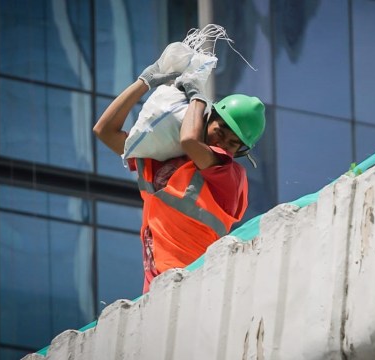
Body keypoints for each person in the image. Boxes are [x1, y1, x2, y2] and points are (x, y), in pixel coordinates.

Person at [93, 51, 266, 293]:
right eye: (221, 129)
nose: (223, 141)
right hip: (158, 285)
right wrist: (145, 81)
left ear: (239, 152)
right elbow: (104, 131)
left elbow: (189, 141)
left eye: (233, 142)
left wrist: (198, 97)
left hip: (193, 281)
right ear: (209, 119)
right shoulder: (162, 160)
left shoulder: (230, 174)